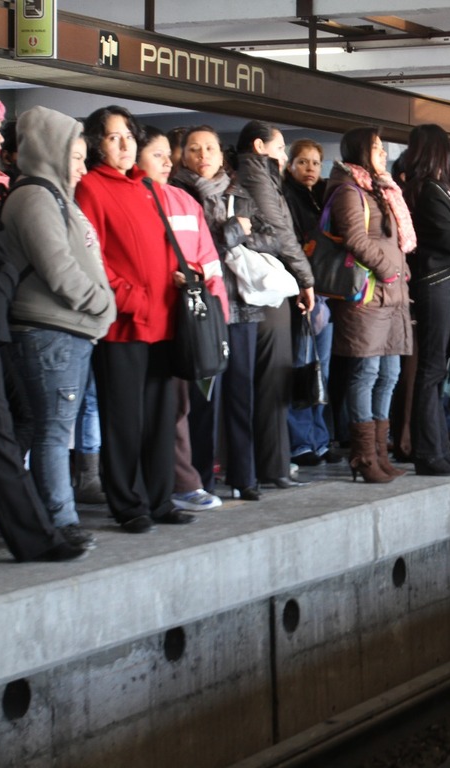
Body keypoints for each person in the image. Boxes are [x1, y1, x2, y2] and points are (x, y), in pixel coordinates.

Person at [75, 105, 192, 532]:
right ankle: (128, 505)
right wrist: (131, 298)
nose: (125, 144)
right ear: (97, 144)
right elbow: (91, 257)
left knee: (161, 419)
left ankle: (160, 499)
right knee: (124, 421)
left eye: (128, 135)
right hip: (123, 324)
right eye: (113, 137)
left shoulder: (146, 186)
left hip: (163, 319)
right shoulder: (90, 187)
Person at [4, 106, 117, 547]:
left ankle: (44, 517)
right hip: (50, 331)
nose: (82, 168)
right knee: (53, 431)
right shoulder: (35, 196)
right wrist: (102, 305)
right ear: (50, 151)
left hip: (67, 330)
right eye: (75, 157)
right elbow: (59, 269)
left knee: (46, 428)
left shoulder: (54, 195)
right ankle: (59, 522)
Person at [0, 96, 88, 562]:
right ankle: (37, 537)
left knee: (19, 419)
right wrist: (6, 274)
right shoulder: (22, 194)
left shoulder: (1, 187)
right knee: (3, 430)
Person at [172, 125, 268, 501]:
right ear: (183, 155)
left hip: (242, 307)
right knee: (204, 401)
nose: (202, 156)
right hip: (203, 311)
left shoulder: (239, 192)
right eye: (194, 149)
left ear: (220, 153)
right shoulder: (178, 193)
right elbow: (192, 248)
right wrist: (232, 231)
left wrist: (237, 234)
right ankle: (201, 479)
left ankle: (245, 476)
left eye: (209, 148)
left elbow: (271, 238)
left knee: (242, 395)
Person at [135, 126, 227, 513]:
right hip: (138, 320)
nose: (167, 162)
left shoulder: (184, 200)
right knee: (141, 410)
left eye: (166, 155)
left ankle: (182, 483)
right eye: (157, 155)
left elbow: (209, 260)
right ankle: (148, 487)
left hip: (182, 321)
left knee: (178, 406)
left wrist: (217, 319)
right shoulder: (129, 198)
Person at [324, 127, 413, 482]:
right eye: (376, 148)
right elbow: (355, 238)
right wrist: (389, 270)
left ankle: (380, 453)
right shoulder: (349, 189)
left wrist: (399, 274)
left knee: (390, 375)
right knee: (367, 374)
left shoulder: (382, 189)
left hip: (392, 295)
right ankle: (363, 457)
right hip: (368, 295)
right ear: (360, 151)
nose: (383, 153)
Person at [234, 120, 315, 490]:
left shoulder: (261, 176)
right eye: (280, 147)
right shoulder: (257, 176)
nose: (284, 155)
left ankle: (272, 463)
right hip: (266, 288)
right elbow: (280, 233)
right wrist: (306, 278)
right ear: (259, 146)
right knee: (271, 378)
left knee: (270, 379)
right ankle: (272, 466)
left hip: (267, 285)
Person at [400, 124, 450, 475]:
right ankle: (428, 452)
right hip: (436, 282)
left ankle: (438, 447)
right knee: (431, 368)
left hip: (444, 281)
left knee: (436, 368)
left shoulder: (436, 189)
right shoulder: (426, 191)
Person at [282, 137, 339, 467]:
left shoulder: (322, 197)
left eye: (315, 163)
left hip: (324, 293)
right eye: (302, 162)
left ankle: (320, 438)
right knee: (303, 367)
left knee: (322, 369)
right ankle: (301, 442)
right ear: (290, 164)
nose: (310, 168)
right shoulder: (287, 196)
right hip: (301, 293)